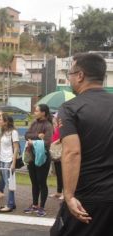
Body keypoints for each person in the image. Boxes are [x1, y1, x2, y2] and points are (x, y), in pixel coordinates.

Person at [51, 53, 113, 235]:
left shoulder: (70, 108)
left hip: (87, 197)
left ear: (80, 75)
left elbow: (72, 152)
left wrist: (68, 195)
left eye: (70, 73)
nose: (69, 77)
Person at [24, 104, 53, 217]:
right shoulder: (34, 123)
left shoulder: (48, 125)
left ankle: (42, 207)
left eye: (36, 111)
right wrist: (37, 136)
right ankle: (35, 205)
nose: (34, 112)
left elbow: (47, 142)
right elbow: (26, 135)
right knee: (34, 182)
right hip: (32, 156)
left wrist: (33, 140)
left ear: (43, 113)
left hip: (43, 157)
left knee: (42, 182)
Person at [0, 114, 19, 213]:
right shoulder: (3, 132)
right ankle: (12, 203)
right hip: (2, 159)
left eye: (1, 120)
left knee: (9, 182)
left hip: (9, 160)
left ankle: (10, 204)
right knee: (7, 182)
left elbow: (16, 148)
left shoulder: (13, 132)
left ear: (6, 122)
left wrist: (13, 163)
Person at [49, 113, 63, 200]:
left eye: (55, 118)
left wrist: (56, 142)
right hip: (55, 152)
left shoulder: (62, 127)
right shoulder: (54, 128)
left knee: (62, 173)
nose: (53, 119)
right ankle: (58, 192)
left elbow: (64, 137)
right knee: (58, 173)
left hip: (61, 152)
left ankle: (65, 193)